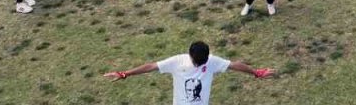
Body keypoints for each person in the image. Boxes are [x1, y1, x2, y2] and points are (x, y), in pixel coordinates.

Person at [102, 40, 273, 103]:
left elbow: (234, 64)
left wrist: (255, 72)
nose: (199, 65)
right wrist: (125, 74)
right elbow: (151, 67)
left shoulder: (209, 61)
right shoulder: (180, 61)